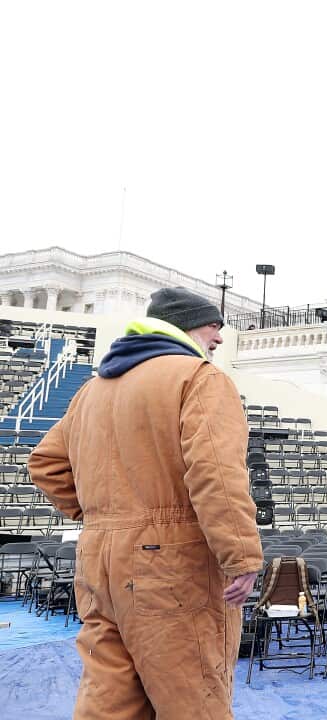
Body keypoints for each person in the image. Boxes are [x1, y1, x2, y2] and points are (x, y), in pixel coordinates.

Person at [29, 287, 262, 720]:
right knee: (194, 701)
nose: (219, 337)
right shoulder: (199, 378)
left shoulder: (92, 390)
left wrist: (100, 515)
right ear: (186, 325)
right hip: (172, 566)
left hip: (99, 560)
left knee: (108, 703)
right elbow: (216, 473)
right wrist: (241, 555)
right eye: (214, 325)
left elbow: (45, 464)